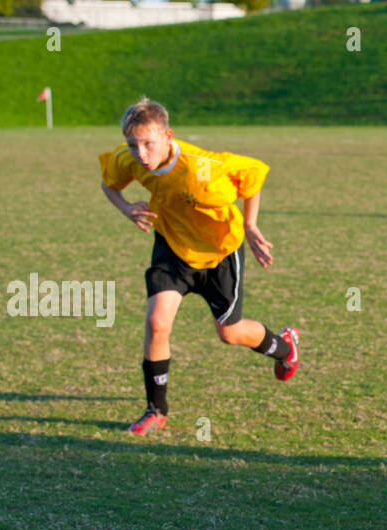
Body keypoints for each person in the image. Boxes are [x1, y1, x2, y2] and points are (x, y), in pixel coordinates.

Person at [99, 98, 298, 436]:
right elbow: (109, 183)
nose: (141, 153)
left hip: (219, 253)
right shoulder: (128, 159)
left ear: (168, 136)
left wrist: (250, 225)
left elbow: (254, 174)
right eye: (134, 145)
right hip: (173, 249)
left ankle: (285, 347)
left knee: (230, 333)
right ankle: (156, 409)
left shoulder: (202, 167)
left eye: (148, 144)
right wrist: (126, 207)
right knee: (156, 321)